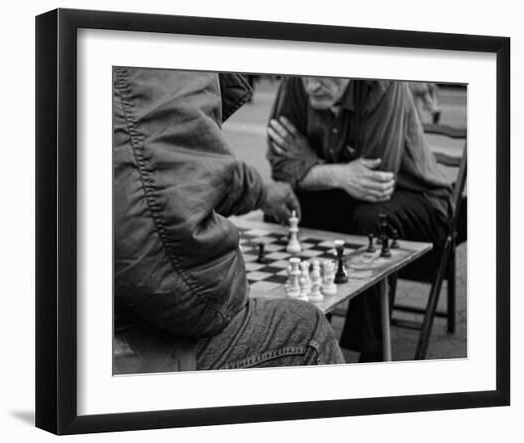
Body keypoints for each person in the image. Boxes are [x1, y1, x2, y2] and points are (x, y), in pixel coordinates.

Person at [113, 68, 344, 373]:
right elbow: (191, 287)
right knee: (307, 329)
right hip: (116, 344)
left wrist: (261, 191)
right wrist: (238, 287)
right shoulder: (165, 61)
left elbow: (181, 173)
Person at [267, 76, 453, 362]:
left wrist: (306, 162)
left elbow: (377, 180)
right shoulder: (295, 80)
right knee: (283, 205)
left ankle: (371, 354)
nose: (311, 85)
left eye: (323, 75)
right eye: (307, 76)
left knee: (370, 219)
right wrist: (340, 174)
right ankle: (304, 326)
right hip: (346, 196)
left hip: (420, 199)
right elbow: (280, 167)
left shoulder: (384, 83)